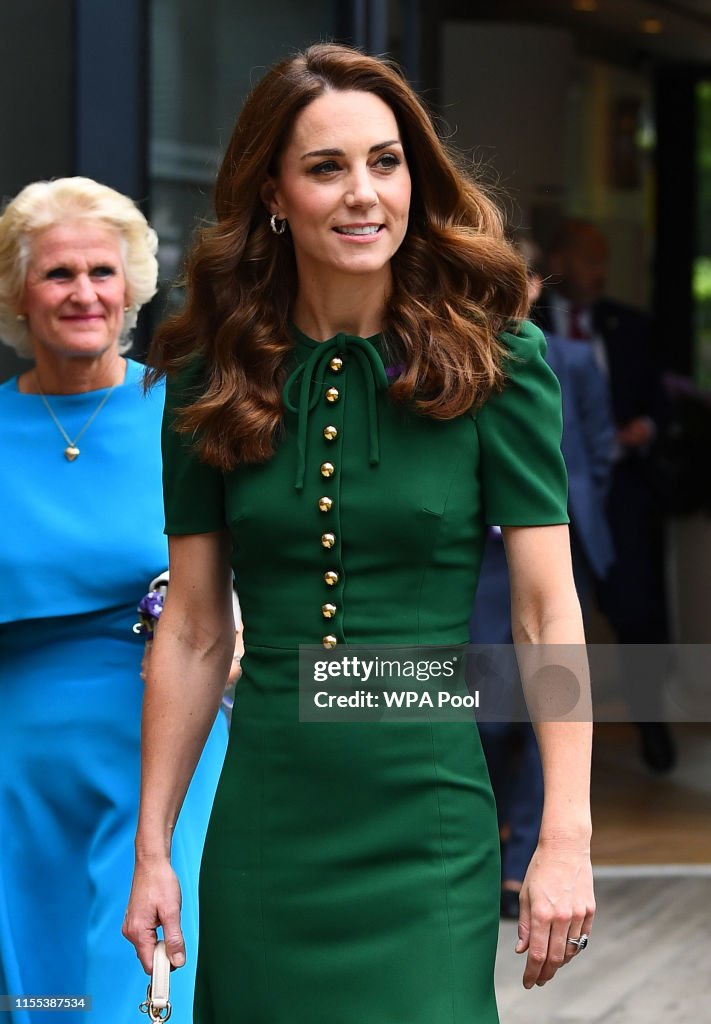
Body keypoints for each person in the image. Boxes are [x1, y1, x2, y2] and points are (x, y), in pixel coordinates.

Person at [123, 44, 595, 1022]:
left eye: (385, 161)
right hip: (267, 821)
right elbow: (199, 628)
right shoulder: (212, 374)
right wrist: (155, 849)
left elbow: (547, 614)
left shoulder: (495, 360)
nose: (364, 193)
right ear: (273, 194)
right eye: (327, 167)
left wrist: (565, 836)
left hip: (426, 817)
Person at [0, 177, 228, 1024]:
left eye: (103, 271)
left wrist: (231, 631)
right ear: (18, 295)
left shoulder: (189, 414)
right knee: (35, 987)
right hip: (15, 768)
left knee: (130, 993)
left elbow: (242, 583)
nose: (84, 293)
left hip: (162, 749)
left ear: (132, 284)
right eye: (58, 274)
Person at [471, 234, 615, 920]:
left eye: (522, 276)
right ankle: (498, 845)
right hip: (482, 563)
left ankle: (525, 856)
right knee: (489, 709)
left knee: (545, 709)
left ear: (534, 286)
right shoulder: (454, 361)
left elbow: (596, 447)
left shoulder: (573, 360)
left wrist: (567, 523)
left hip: (555, 553)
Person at [533, 218, 676, 772]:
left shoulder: (631, 326)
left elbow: (659, 404)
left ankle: (652, 726)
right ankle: (543, 757)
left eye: (604, 263)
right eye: (589, 260)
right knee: (550, 622)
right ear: (560, 261)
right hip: (548, 497)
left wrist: (642, 429)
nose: (599, 274)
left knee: (636, 614)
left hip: (620, 498)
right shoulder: (529, 323)